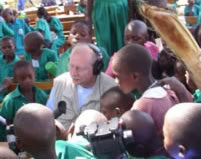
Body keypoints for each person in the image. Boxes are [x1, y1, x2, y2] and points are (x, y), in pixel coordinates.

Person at [112, 44, 179, 136]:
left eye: (117, 76)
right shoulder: (168, 91)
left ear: (135, 76)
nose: (116, 81)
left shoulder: (142, 106)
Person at [47, 43, 116, 129]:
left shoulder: (111, 88)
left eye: (80, 68)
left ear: (96, 68)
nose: (73, 73)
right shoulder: (60, 82)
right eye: (71, 66)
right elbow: (48, 117)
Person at [0, 60, 47, 125]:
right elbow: (4, 122)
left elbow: (46, 115)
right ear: (16, 79)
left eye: (30, 76)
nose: (27, 81)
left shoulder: (41, 94)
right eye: (22, 78)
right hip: (17, 133)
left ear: (34, 74)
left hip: (39, 130)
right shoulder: (10, 100)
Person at [0, 36, 19, 102]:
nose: (7, 49)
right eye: (4, 48)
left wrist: (13, 79)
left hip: (12, 96)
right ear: (1, 49)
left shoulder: (19, 63)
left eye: (9, 47)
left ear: (15, 47)